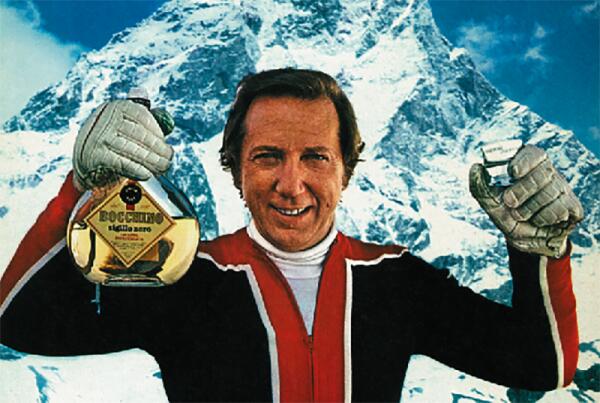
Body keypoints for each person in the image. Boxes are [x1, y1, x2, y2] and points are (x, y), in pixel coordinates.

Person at [0, 68, 584, 402]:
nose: (291, 183)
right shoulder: (187, 280)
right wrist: (85, 188)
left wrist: (538, 252)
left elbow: (540, 366)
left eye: (316, 157)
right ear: (234, 169)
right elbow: (19, 321)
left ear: (346, 169)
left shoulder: (397, 282)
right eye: (267, 156)